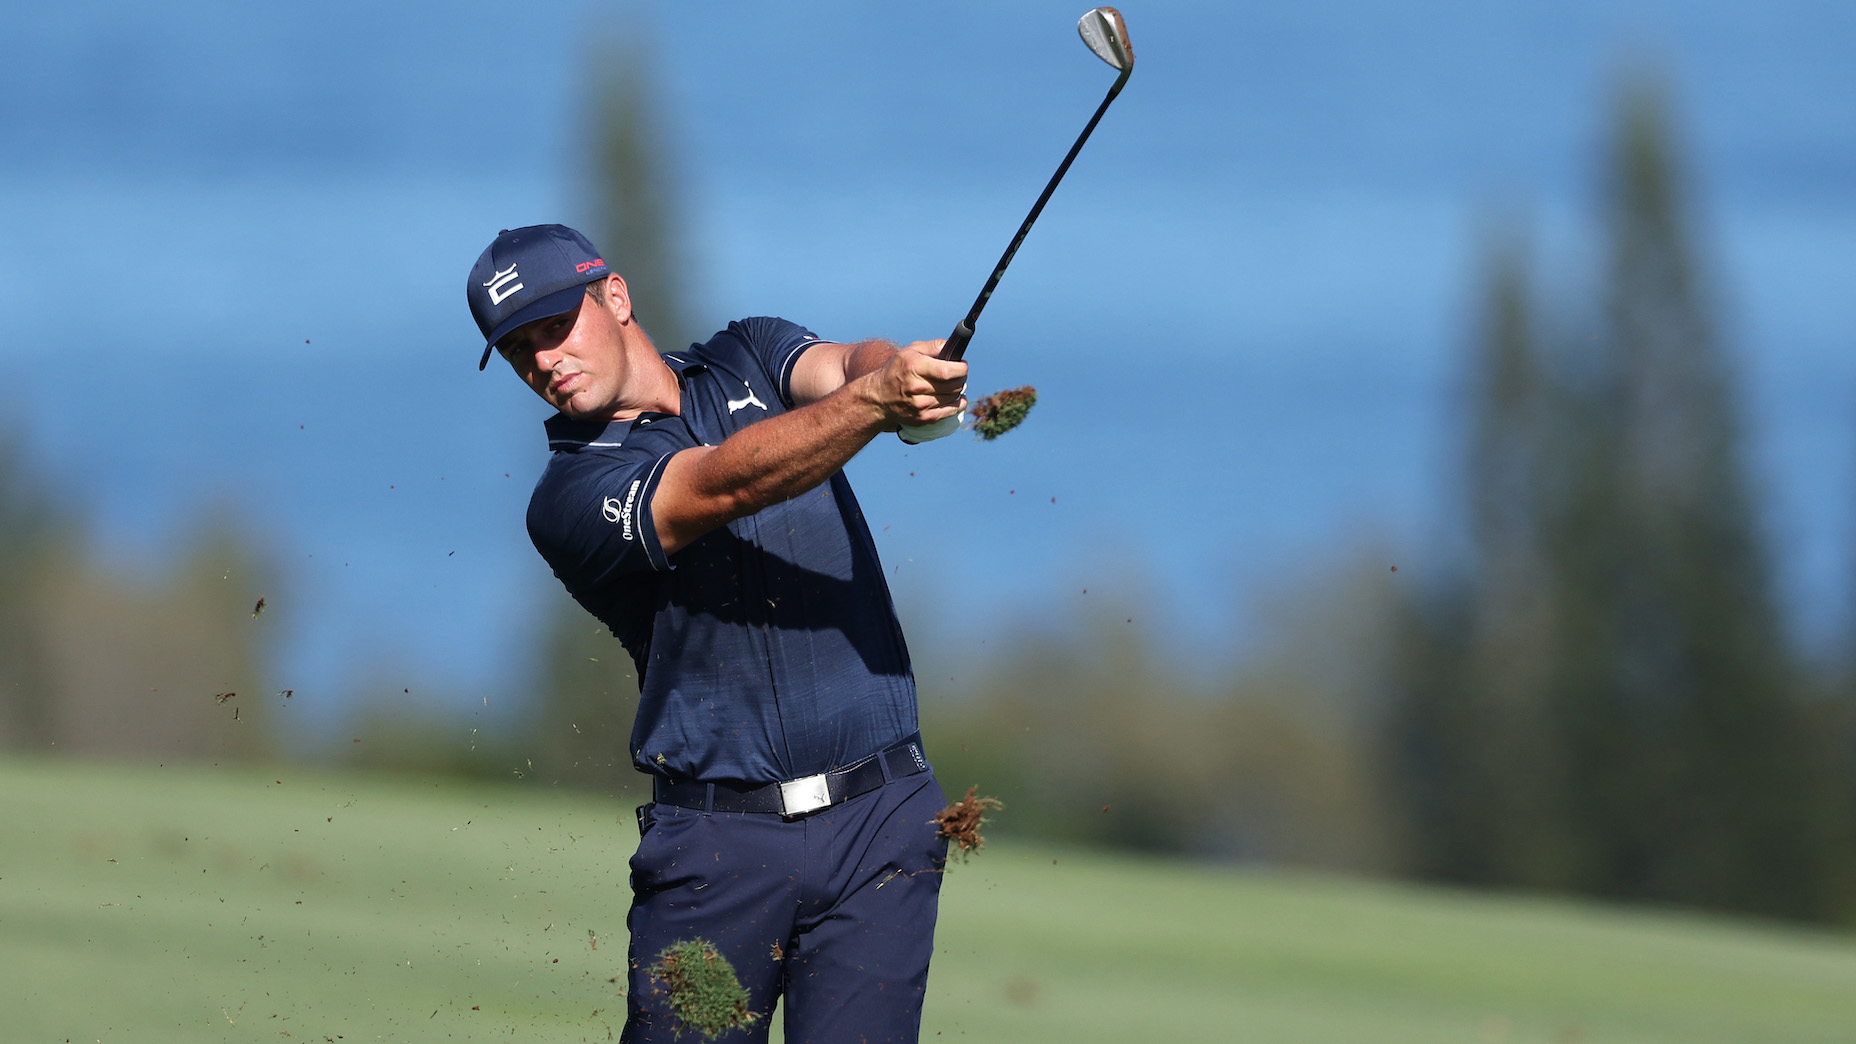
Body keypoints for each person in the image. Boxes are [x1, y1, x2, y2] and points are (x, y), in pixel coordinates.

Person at [465, 224, 968, 1043]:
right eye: (520, 350)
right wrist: (874, 405)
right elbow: (725, 484)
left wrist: (898, 378)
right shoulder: (569, 497)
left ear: (616, 297)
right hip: (717, 853)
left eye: (555, 327)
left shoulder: (749, 353)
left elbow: (842, 366)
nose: (544, 360)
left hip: (883, 821)